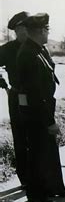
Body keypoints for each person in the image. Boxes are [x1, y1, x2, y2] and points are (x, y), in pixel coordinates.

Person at [16, 13, 65, 202]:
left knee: (49, 150)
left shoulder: (39, 50)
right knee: (36, 152)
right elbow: (35, 93)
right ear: (42, 31)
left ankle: (55, 188)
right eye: (47, 30)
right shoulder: (28, 53)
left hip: (42, 108)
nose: (47, 34)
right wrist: (49, 121)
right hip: (36, 112)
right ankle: (36, 194)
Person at [0, 11, 30, 188]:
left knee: (37, 138)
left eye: (29, 27)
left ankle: (39, 176)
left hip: (37, 99)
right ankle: (25, 179)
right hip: (17, 96)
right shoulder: (7, 49)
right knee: (20, 138)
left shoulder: (38, 47)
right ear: (16, 30)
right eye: (22, 28)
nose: (26, 31)